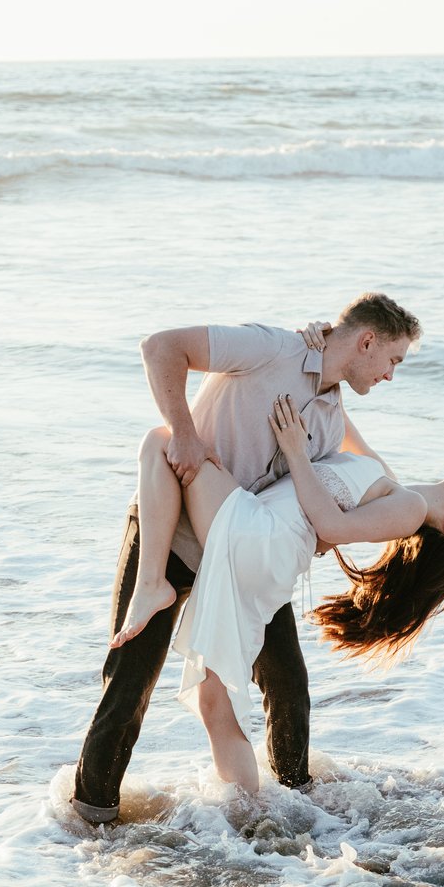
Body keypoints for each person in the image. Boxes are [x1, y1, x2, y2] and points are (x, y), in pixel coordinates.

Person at [72, 293, 422, 825]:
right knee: (130, 681)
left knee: (287, 680)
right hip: (173, 533)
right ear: (367, 341)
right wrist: (186, 434)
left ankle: (297, 804)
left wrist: (334, 529)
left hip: (237, 554)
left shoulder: (328, 423)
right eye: (393, 360)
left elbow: (334, 485)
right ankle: (90, 817)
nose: (391, 375)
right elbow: (161, 347)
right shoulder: (268, 348)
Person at [107, 395, 444, 794]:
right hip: (263, 548)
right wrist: (321, 364)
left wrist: (295, 451)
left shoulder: (410, 508)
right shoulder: (391, 482)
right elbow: (339, 415)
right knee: (214, 703)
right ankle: (251, 821)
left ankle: (151, 582)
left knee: (164, 441)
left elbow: (333, 525)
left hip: (259, 537)